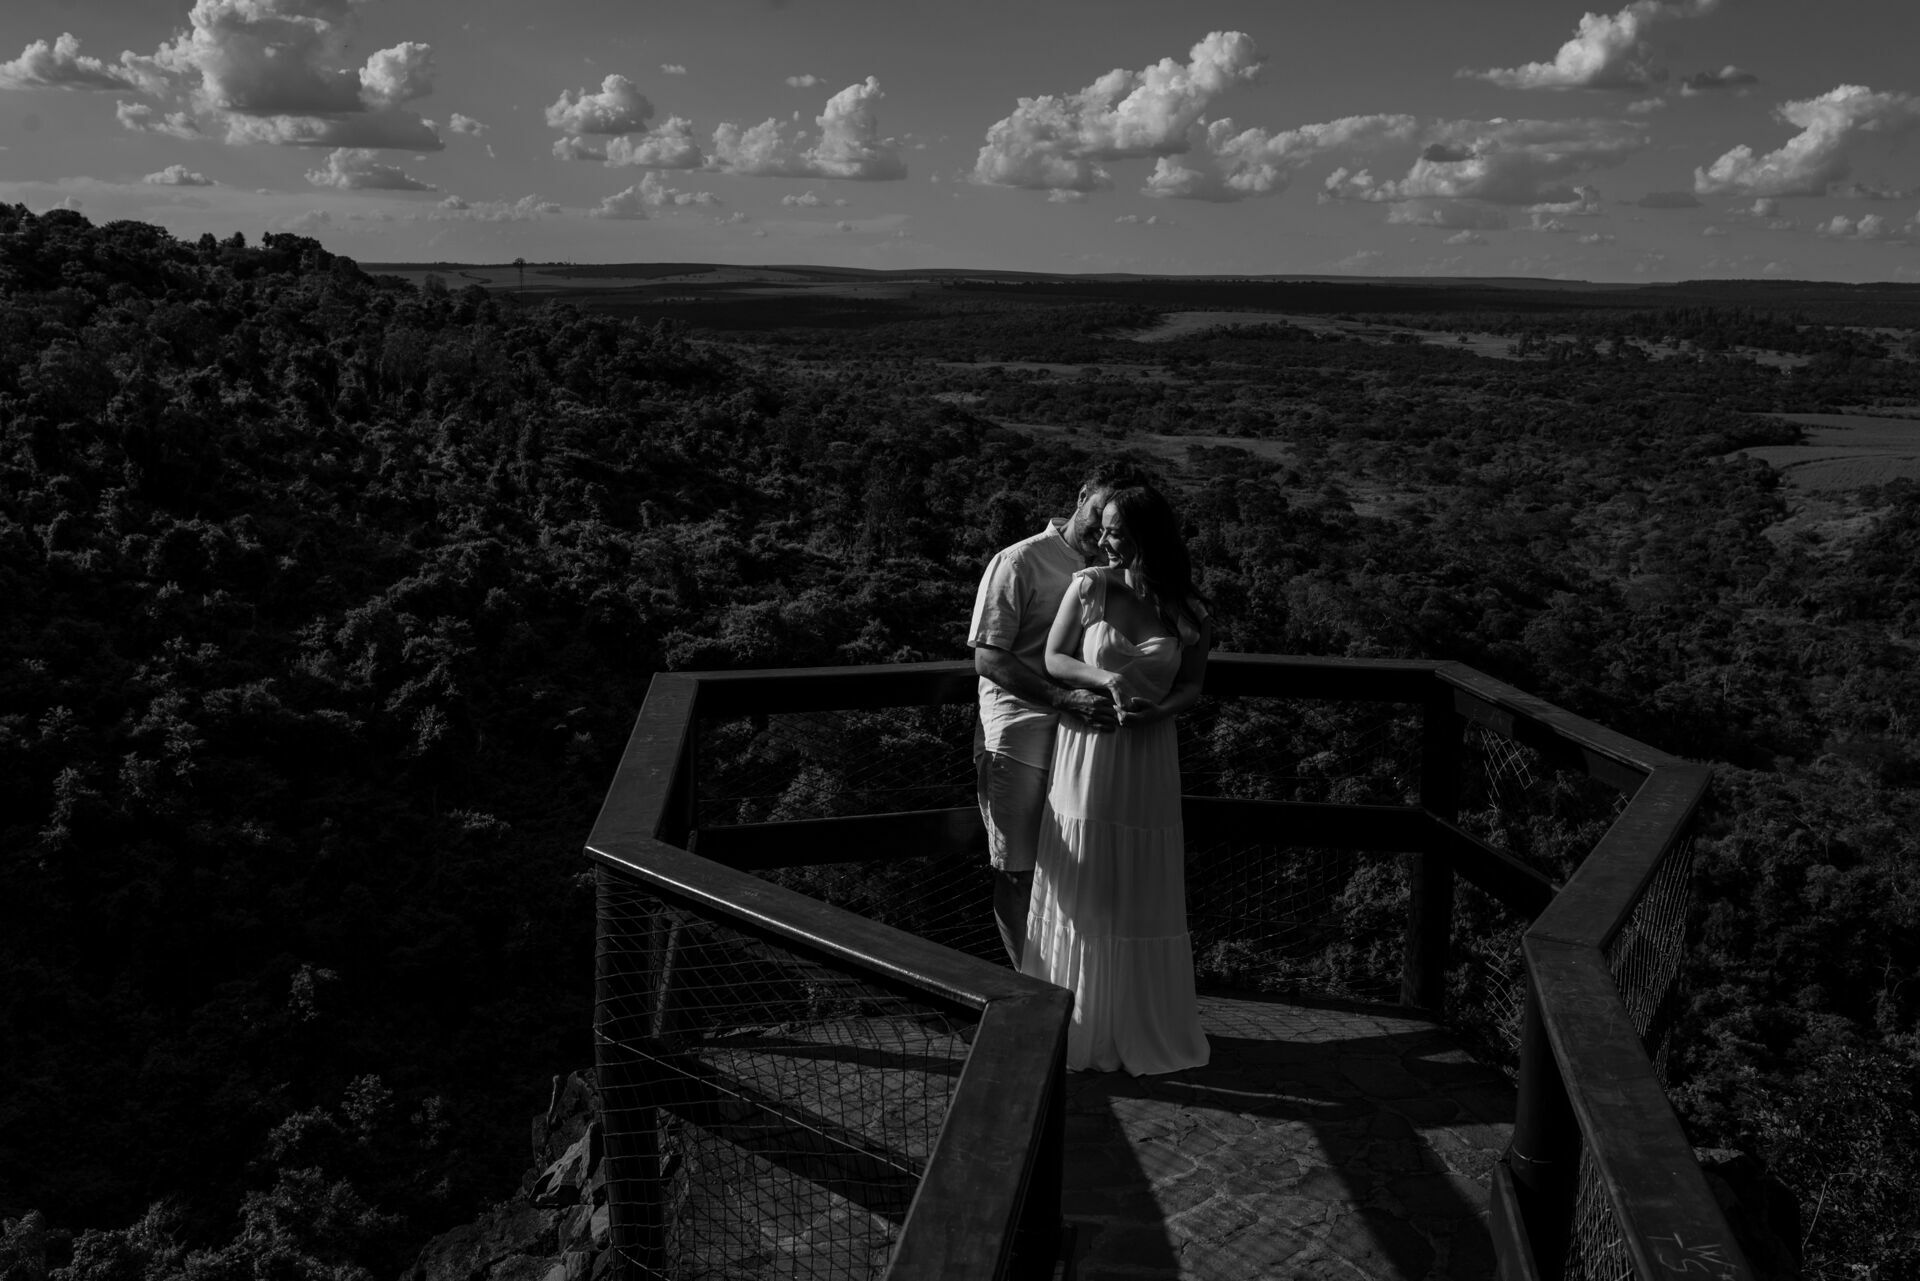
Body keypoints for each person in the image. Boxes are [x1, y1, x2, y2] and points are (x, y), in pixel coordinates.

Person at [1021, 483, 1211, 1075]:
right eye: (1101, 527)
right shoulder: (1091, 585)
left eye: (1115, 531)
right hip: (1089, 750)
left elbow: (1192, 688)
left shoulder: (1188, 608)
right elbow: (1054, 659)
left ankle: (1134, 1020)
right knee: (1085, 878)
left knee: (1138, 886)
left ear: (1147, 539)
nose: (1103, 539)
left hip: (1149, 753)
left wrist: (1158, 711)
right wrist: (1108, 682)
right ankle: (1074, 1024)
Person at [969, 462, 1152, 968]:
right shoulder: (1019, 561)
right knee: (1019, 871)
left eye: (1115, 524)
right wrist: (1063, 699)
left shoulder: (1124, 572)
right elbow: (988, 657)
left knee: (1081, 873)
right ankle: (1032, 993)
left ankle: (1079, 997)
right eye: (1098, 514)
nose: (1103, 531)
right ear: (1080, 497)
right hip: (1018, 739)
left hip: (1087, 746)